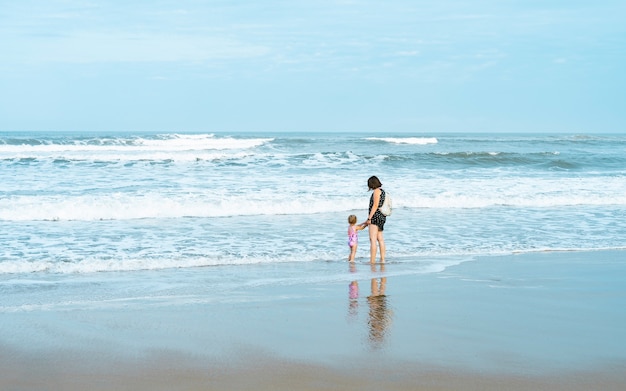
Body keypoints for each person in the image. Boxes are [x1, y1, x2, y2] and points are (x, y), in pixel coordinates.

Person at [362, 176, 386, 263]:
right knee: (380, 239)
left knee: (372, 240)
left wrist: (369, 218)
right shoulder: (383, 192)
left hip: (375, 217)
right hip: (382, 217)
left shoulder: (376, 192)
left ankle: (372, 261)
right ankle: (382, 259)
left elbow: (375, 206)